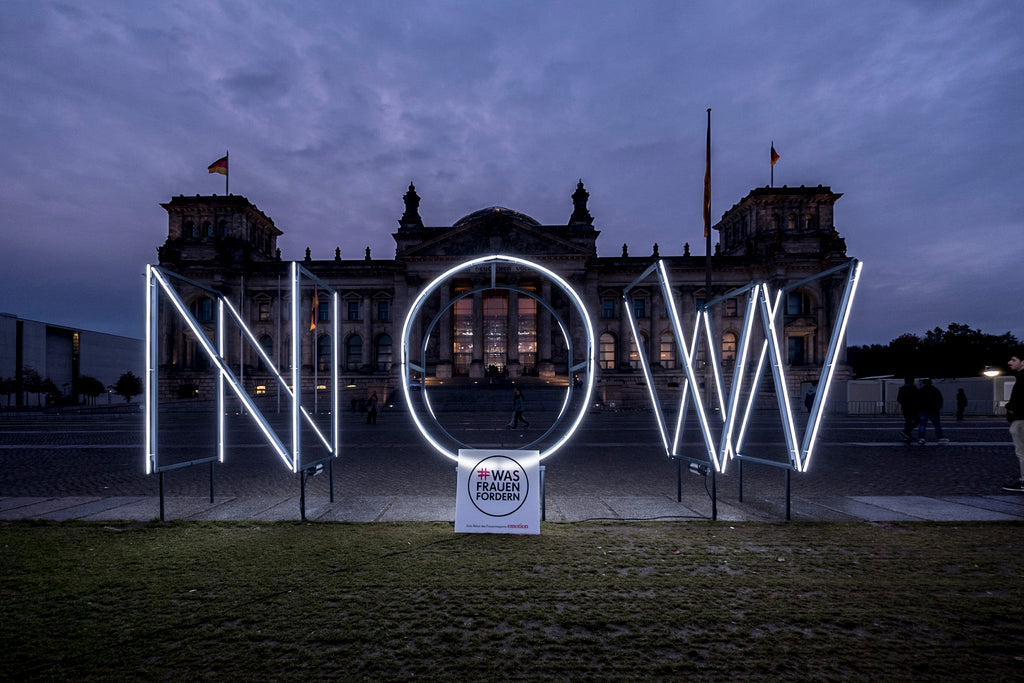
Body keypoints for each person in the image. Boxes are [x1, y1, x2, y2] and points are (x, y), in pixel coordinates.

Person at [1002, 351, 1024, 492]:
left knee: (1021, 451)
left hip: (1021, 418)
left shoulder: (1022, 378)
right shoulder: (1020, 377)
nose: (1010, 362)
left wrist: (1011, 408)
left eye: (1013, 360)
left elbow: (1019, 399)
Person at [916, 379, 947, 445]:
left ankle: (922, 438)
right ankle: (940, 437)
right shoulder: (935, 390)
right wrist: (938, 407)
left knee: (922, 425)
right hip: (933, 410)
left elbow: (917, 400)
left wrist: (918, 408)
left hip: (923, 410)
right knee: (937, 425)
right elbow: (940, 399)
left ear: (923, 383)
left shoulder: (920, 391)